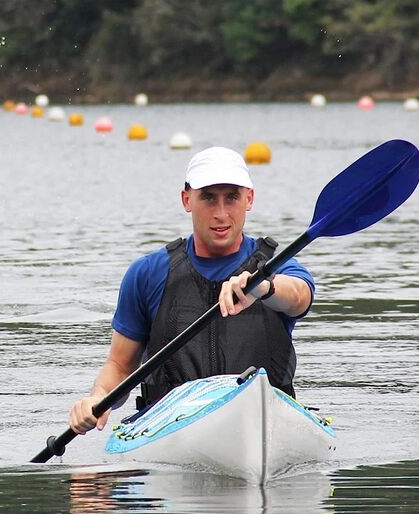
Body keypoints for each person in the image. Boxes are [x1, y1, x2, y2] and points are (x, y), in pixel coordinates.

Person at [69, 146, 315, 435]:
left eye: (232, 197)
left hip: (265, 424)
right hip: (168, 428)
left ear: (249, 198)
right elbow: (120, 366)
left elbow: (299, 297)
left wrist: (264, 287)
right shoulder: (147, 273)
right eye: (208, 198)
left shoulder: (278, 267)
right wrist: (98, 398)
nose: (221, 213)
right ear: (187, 200)